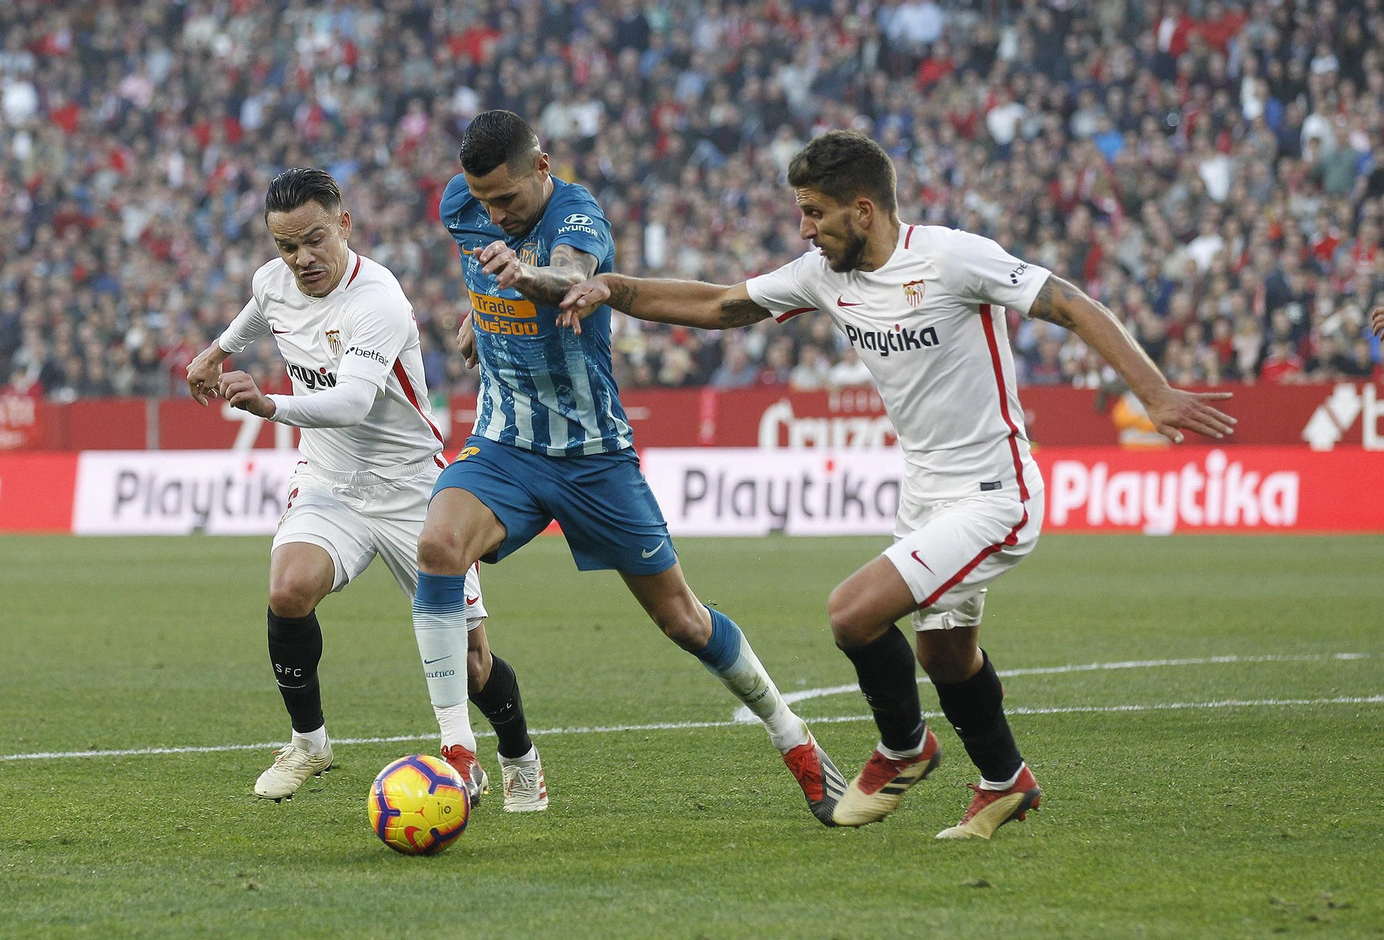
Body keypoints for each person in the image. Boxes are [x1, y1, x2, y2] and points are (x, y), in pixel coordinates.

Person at [560, 130, 1237, 838]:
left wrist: (1153, 392)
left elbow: (1066, 303)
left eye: (815, 213)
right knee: (943, 653)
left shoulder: (949, 257)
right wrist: (616, 289)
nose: (805, 228)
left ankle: (905, 748)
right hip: (924, 493)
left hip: (993, 491)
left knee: (853, 613)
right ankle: (1006, 781)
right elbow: (724, 305)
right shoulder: (824, 275)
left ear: (862, 209)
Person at [417, 110, 846, 826]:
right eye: (482, 199)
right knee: (436, 545)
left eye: (508, 201)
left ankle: (794, 740)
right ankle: (458, 755)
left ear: (542, 168)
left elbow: (570, 279)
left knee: (682, 619)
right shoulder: (462, 206)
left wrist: (521, 276)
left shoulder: (577, 216)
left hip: (593, 459)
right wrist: (477, 315)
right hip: (506, 445)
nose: (492, 212)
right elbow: (478, 270)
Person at [184, 168, 546, 811]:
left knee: (471, 662)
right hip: (330, 482)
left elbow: (352, 401)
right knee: (288, 589)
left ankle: (518, 755)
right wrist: (215, 351)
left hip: (412, 490)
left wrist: (271, 406)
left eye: (314, 240)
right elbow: (259, 310)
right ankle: (308, 742)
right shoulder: (274, 284)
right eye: (286, 246)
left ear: (344, 224)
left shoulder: (378, 298)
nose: (301, 259)